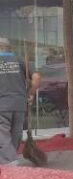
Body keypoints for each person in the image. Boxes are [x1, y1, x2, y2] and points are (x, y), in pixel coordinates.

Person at [0, 37, 40, 165]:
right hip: (19, 103)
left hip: (2, 104)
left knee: (2, 134)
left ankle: (10, 160)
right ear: (8, 48)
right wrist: (30, 93)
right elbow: (36, 78)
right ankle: (10, 158)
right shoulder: (20, 60)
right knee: (15, 134)